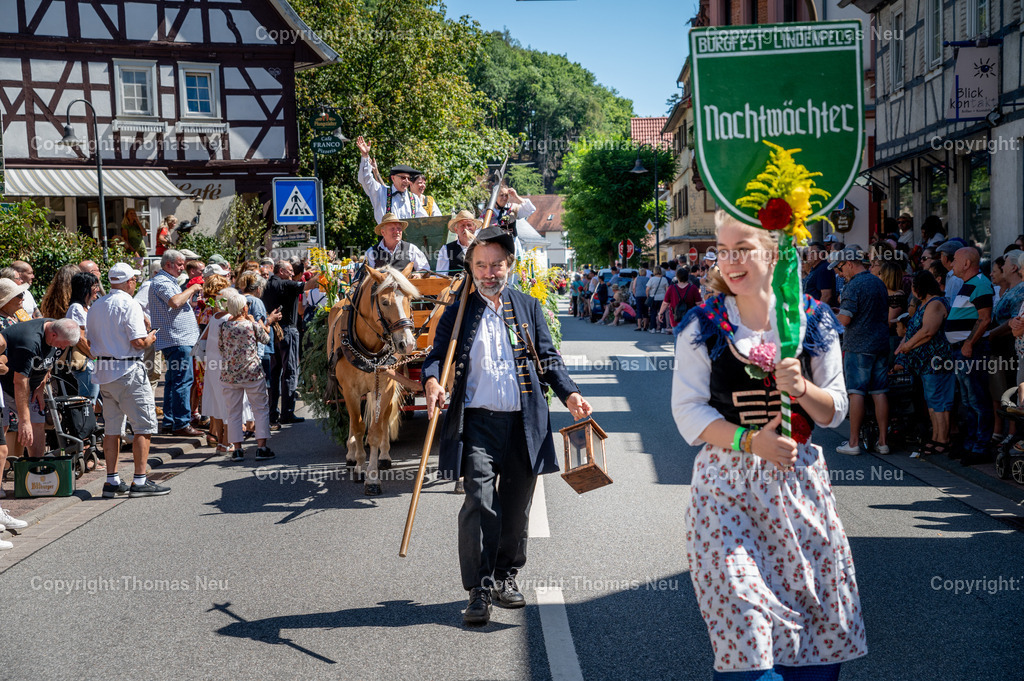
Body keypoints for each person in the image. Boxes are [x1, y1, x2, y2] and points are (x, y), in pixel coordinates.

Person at [672, 210, 865, 678]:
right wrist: (747, 440)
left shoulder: (814, 322)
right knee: (742, 608)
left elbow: (834, 409)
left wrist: (801, 388)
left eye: (743, 250)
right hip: (726, 487)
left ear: (774, 253)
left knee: (817, 614)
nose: (730, 261)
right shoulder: (703, 324)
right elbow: (689, 412)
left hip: (799, 486)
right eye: (723, 251)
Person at [422, 226, 592, 625]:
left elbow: (549, 359)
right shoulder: (459, 310)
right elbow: (435, 356)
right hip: (476, 422)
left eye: (496, 264)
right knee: (479, 502)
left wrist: (569, 394)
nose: (488, 272)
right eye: (480, 265)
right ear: (471, 267)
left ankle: (505, 576)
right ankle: (478, 589)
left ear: (509, 265)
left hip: (523, 423)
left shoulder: (529, 307)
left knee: (516, 508)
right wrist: (432, 381)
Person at [87, 263, 169, 498]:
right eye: (133, 280)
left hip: (104, 370)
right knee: (144, 425)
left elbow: (90, 340)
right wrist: (151, 337)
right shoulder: (128, 303)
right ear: (129, 281)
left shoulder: (96, 305)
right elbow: (138, 343)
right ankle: (140, 480)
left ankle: (112, 480)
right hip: (127, 369)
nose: (134, 283)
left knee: (112, 428)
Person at [830, 246, 891, 455]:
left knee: (856, 392)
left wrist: (830, 319)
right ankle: (883, 442)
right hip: (881, 344)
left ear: (849, 263)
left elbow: (845, 320)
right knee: (879, 392)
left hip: (858, 346)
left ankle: (854, 442)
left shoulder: (853, 286)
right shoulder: (878, 282)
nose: (840, 273)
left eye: (840, 268)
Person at [894, 270, 954, 456]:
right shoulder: (924, 304)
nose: (912, 291)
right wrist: (905, 347)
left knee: (939, 400)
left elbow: (928, 331)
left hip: (937, 361)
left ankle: (942, 439)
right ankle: (935, 436)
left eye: (914, 287)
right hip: (925, 363)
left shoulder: (936, 303)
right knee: (932, 399)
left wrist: (908, 346)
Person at [0, 317, 80, 456]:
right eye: (62, 344)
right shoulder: (30, 341)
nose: (62, 348)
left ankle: (36, 469)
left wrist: (41, 384)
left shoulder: (56, 328)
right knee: (4, 428)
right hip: (6, 385)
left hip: (31, 386)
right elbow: (20, 382)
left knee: (37, 425)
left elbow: (49, 360)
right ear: (53, 335)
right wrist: (24, 421)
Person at [946, 247, 994, 464]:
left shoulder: (981, 283)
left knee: (976, 399)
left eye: (955, 260)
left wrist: (969, 342)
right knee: (968, 399)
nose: (952, 263)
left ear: (967, 263)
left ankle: (980, 447)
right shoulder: (969, 284)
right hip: (963, 350)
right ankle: (971, 444)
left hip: (971, 351)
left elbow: (985, 319)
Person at [149, 250, 203, 436]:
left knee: (174, 381)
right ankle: (181, 423)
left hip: (177, 339)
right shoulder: (162, 281)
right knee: (182, 381)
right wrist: (192, 289)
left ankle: (171, 421)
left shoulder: (166, 281)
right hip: (177, 339)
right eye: (180, 264)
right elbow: (174, 302)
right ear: (168, 264)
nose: (183, 268)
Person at [261, 260, 320, 428]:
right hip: (287, 331)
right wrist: (322, 271)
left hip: (272, 331)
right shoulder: (286, 284)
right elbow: (308, 285)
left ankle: (273, 412)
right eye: (289, 271)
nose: (292, 274)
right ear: (281, 271)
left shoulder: (267, 285)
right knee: (290, 372)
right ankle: (287, 413)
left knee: (274, 373)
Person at [219, 293, 275, 461]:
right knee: (260, 408)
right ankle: (261, 447)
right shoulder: (250, 325)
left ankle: (237, 449)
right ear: (244, 308)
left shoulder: (223, 327)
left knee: (233, 412)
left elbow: (221, 348)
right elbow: (266, 339)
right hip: (252, 372)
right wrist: (261, 322)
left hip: (230, 374)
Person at [355, 136, 426, 222]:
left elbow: (424, 221)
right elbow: (365, 179)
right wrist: (365, 156)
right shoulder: (380, 192)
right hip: (386, 235)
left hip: (409, 235)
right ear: (393, 178)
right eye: (403, 177)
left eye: (409, 178)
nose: (406, 181)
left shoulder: (414, 199)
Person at [64, 271, 102, 403]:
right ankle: (86, 424)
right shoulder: (76, 308)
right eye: (95, 286)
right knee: (87, 400)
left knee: (94, 399)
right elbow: (79, 338)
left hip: (91, 360)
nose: (97, 289)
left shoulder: (87, 307)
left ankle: (92, 423)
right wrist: (94, 355)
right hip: (86, 361)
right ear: (85, 288)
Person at [364, 212, 430, 272]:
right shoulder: (371, 252)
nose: (397, 231)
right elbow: (367, 277)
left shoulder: (411, 249)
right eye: (392, 229)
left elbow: (425, 269)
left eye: (399, 228)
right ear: (383, 232)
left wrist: (419, 274)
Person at [436, 210, 481, 274]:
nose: (466, 228)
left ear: (475, 228)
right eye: (462, 225)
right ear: (456, 230)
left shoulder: (482, 247)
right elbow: (441, 276)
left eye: (469, 225)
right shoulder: (446, 249)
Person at [659, 266, 702, 331]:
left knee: (678, 339)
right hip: (690, 318)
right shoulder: (693, 288)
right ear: (687, 277)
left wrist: (660, 313)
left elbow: (665, 303)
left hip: (675, 318)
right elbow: (699, 303)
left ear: (677, 277)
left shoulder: (671, 288)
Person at [802, 241, 836, 306]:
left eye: (812, 252)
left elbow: (826, 296)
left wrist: (818, 312)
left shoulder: (824, 269)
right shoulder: (815, 269)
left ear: (821, 254)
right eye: (808, 252)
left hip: (817, 312)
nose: (809, 255)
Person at [646, 266, 668, 332]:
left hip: (654, 297)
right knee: (662, 313)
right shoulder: (664, 279)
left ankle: (653, 328)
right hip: (662, 298)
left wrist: (648, 296)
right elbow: (667, 289)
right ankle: (663, 328)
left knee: (653, 313)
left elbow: (647, 289)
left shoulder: (652, 279)